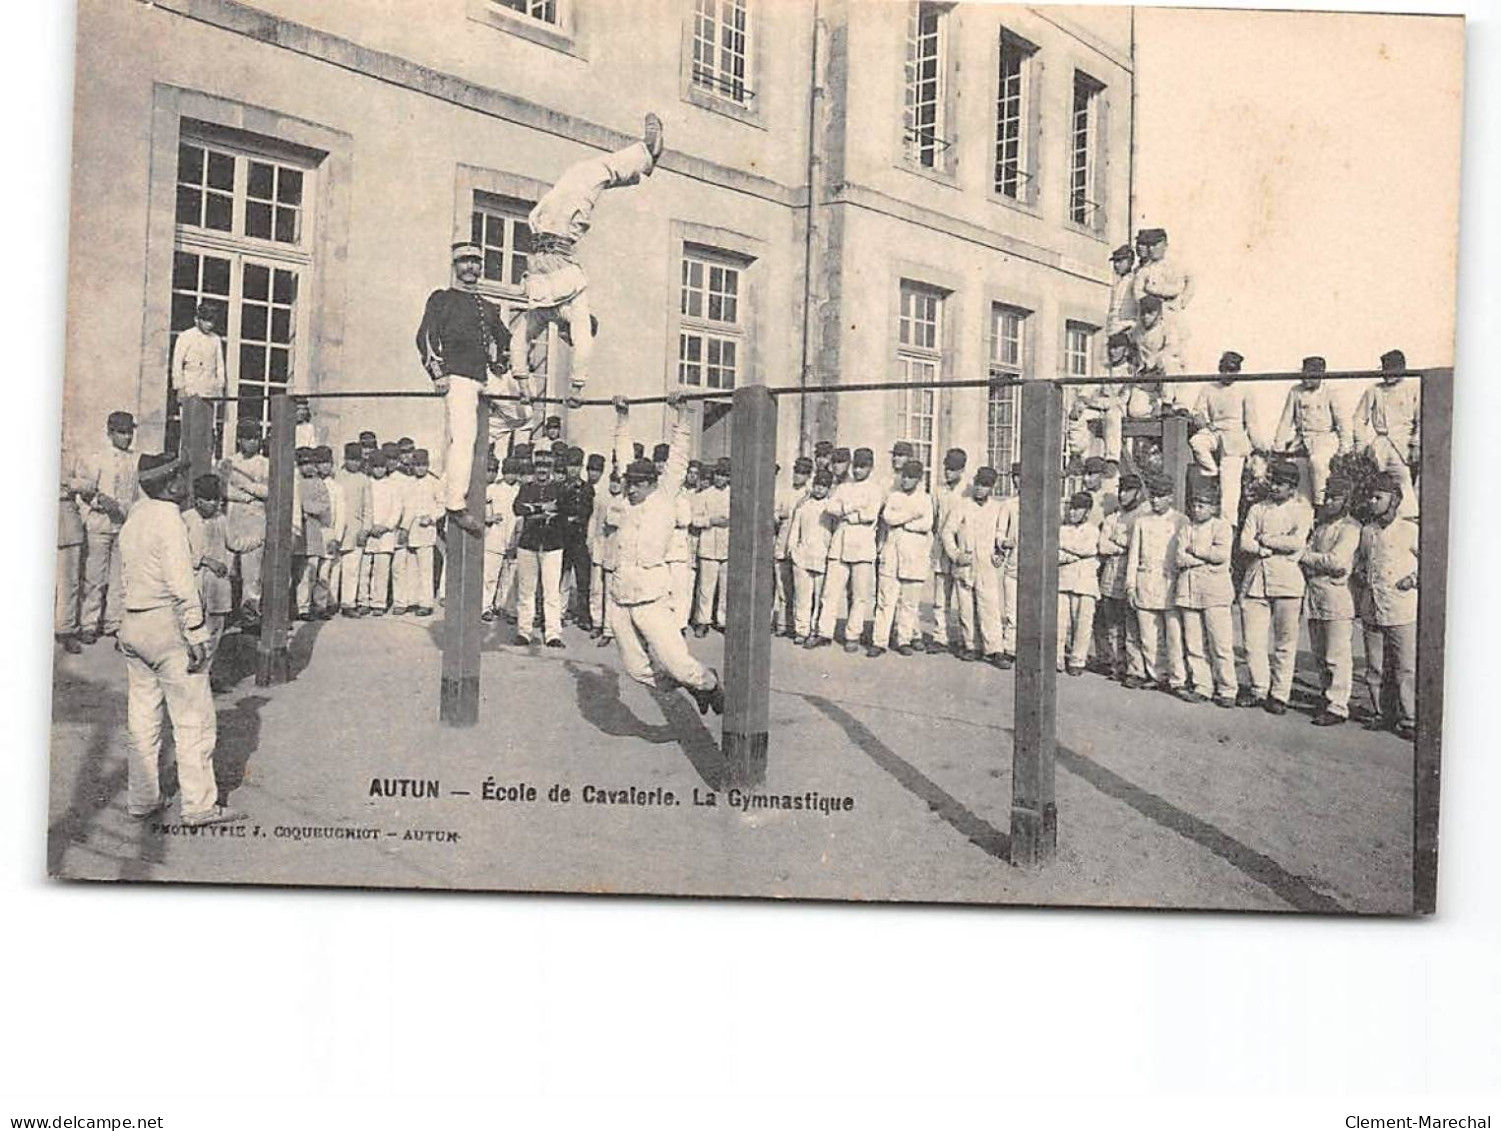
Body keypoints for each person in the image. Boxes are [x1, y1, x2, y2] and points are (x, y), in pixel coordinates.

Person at [116, 452, 242, 826]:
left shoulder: (134, 518)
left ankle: (141, 798)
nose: (186, 485)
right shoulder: (169, 520)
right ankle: (200, 805)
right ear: (170, 484)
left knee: (142, 718)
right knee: (193, 718)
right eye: (181, 478)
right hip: (166, 625)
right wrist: (197, 631)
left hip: (133, 622)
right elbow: (181, 582)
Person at [510, 116, 665, 409]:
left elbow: (522, 343)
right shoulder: (563, 309)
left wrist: (523, 385)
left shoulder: (548, 311)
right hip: (560, 231)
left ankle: (644, 160)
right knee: (588, 174)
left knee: (583, 174)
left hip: (548, 231)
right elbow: (573, 344)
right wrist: (575, 388)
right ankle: (645, 157)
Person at [607, 393, 724, 715]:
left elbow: (679, 458)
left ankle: (707, 683)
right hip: (620, 597)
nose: (630, 490)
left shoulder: (664, 498)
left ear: (652, 484)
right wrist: (623, 416)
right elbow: (622, 454)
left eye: (637, 485)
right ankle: (691, 685)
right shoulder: (627, 505)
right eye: (628, 483)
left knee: (679, 664)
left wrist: (683, 415)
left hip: (651, 599)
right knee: (636, 669)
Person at [416, 241, 511, 536]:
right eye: (464, 262)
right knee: (464, 438)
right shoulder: (442, 299)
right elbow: (426, 337)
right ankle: (455, 504)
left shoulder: (488, 306)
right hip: (458, 377)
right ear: (455, 266)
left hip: (483, 375)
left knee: (523, 412)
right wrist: (437, 372)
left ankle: (489, 433)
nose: (470, 267)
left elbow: (505, 339)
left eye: (475, 262)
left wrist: (500, 363)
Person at [1237, 459, 1313, 713]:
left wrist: (1266, 539)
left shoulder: (1302, 509)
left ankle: (1280, 694)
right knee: (1253, 641)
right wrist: (1261, 547)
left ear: (1293, 488)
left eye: (1282, 484)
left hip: (1288, 581)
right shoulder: (1258, 508)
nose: (1275, 487)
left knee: (1285, 642)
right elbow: (1245, 543)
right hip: (1257, 578)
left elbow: (1296, 543)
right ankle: (1259, 688)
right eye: (1273, 481)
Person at [1354, 471, 1419, 739]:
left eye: (1378, 497)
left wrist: (1412, 579)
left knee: (1405, 667)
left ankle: (1410, 719)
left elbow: (1432, 562)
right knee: (1376, 666)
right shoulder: (1368, 531)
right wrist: (1360, 577)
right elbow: (1361, 561)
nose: (1372, 502)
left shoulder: (1410, 530)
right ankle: (1383, 712)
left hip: (1402, 608)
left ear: (1394, 501)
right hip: (1373, 606)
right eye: (1370, 497)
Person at [71, 410, 139, 642]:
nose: (127, 437)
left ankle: (114, 623)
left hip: (123, 525)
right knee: (94, 578)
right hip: (99, 524)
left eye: (129, 432)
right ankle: (89, 623)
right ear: (110, 432)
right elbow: (84, 487)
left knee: (120, 578)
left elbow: (135, 494)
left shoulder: (133, 459)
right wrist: (100, 500)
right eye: (121, 432)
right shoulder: (97, 457)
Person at [1301, 474, 1362, 726]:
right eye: (1327, 497)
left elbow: (1337, 562)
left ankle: (1338, 706)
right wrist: (1314, 559)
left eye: (1334, 498)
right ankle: (1326, 696)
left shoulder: (1351, 529)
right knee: (1320, 653)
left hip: (1338, 597)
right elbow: (1306, 555)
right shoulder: (1322, 528)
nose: (1328, 502)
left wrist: (1310, 558)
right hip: (1316, 595)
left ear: (1346, 500)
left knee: (1336, 654)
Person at [1173, 482, 1237, 706]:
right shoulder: (1186, 528)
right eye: (1194, 505)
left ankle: (1227, 689)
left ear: (1214, 508)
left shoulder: (1222, 527)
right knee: (1194, 643)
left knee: (1220, 643)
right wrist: (1202, 560)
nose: (1197, 509)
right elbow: (1179, 558)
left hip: (1215, 593)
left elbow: (1220, 555)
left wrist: (1196, 552)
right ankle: (1203, 685)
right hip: (1189, 591)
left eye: (1202, 505)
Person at [814, 447, 882, 651]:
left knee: (860, 595)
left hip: (862, 546)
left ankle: (853, 635)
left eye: (863, 467)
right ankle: (824, 632)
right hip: (840, 544)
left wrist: (848, 511)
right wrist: (852, 508)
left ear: (871, 467)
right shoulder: (843, 487)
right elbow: (831, 507)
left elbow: (870, 514)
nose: (858, 471)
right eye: (856, 466)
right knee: (830, 592)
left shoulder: (875, 489)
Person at [1125, 474, 1187, 694]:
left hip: (1170, 583)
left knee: (1174, 636)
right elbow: (1133, 555)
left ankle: (1178, 679)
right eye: (1153, 496)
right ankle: (1156, 674)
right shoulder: (1142, 521)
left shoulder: (1181, 521)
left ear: (1170, 497)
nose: (1155, 500)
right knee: (1149, 636)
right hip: (1146, 582)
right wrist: (1130, 585)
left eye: (1161, 496)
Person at [940, 465, 1007, 664]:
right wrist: (956, 554)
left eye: (985, 485)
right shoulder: (962, 505)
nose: (980, 488)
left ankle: (994, 649)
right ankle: (970, 645)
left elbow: (1000, 536)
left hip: (986, 564)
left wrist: (1000, 552)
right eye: (978, 484)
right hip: (966, 563)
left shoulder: (997, 508)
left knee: (990, 607)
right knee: (966, 608)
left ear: (991, 487)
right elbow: (947, 532)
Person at [869, 458, 932, 658]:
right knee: (885, 601)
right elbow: (888, 518)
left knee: (909, 603)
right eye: (904, 476)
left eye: (911, 477)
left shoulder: (925, 498)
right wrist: (911, 516)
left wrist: (903, 520)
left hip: (914, 557)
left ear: (918, 479)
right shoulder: (894, 497)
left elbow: (926, 524)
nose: (906, 480)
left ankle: (904, 639)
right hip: (892, 555)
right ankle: (880, 641)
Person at [1188, 350, 1259, 521]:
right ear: (1220, 369)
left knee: (1229, 493)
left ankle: (1227, 530)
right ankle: (1211, 470)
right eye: (1225, 369)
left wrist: (1257, 447)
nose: (1228, 374)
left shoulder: (1245, 389)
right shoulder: (1209, 388)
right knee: (1197, 441)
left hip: (1234, 437)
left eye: (1232, 370)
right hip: (1214, 431)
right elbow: (1198, 412)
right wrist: (1203, 422)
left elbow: (1252, 422)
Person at [1352, 348, 1422, 518]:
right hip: (1381, 442)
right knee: (1373, 480)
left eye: (1392, 368)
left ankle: (1407, 518)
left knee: (1404, 480)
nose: (1387, 373)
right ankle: (1373, 515)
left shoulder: (1413, 388)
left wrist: (1415, 444)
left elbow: (1420, 419)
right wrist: (1362, 445)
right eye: (1385, 369)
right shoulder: (1374, 390)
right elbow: (1359, 419)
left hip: (1403, 443)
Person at [1274, 355, 1350, 507]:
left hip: (1324, 439)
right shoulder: (1295, 392)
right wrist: (1279, 447)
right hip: (1302, 439)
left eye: (1311, 376)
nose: (1306, 380)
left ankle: (1320, 504)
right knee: (1294, 470)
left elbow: (1343, 423)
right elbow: (1286, 420)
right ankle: (1304, 510)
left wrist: (1344, 449)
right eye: (1304, 375)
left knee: (1318, 464)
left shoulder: (1330, 392)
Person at [512, 449, 567, 647]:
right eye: (539, 467)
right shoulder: (526, 488)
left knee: (552, 592)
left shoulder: (560, 488)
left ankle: (553, 634)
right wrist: (543, 509)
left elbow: (564, 509)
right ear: (535, 468)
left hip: (552, 546)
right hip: (528, 544)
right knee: (526, 591)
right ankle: (524, 631)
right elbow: (518, 508)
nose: (542, 470)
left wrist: (532, 509)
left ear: (551, 469)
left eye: (546, 467)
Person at [182, 473, 234, 674]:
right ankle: (188, 668)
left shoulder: (221, 519)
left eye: (217, 500)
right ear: (197, 501)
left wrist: (258, 539)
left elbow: (234, 543)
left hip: (216, 583)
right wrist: (205, 560)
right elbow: (179, 552)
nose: (214, 504)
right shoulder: (186, 519)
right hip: (193, 580)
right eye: (209, 500)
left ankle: (205, 673)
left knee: (214, 628)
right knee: (190, 624)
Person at [1096, 471, 1145, 683]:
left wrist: (1118, 543)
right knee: (1112, 624)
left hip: (1132, 575)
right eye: (1121, 490)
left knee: (1132, 627)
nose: (1123, 495)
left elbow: (1135, 545)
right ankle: (1117, 664)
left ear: (1138, 493)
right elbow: (1103, 545)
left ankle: (1136, 669)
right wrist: (1119, 545)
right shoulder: (1113, 517)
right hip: (1111, 574)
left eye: (1128, 491)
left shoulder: (1144, 516)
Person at [221, 418, 269, 622]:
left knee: (253, 572)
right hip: (234, 517)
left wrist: (246, 487)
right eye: (248, 438)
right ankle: (226, 611)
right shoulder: (229, 462)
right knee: (229, 568)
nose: (252, 443)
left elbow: (267, 491)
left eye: (256, 438)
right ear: (240, 439)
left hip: (256, 519)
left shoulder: (265, 464)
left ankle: (250, 613)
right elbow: (224, 489)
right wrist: (243, 495)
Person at [927, 448, 969, 655]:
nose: (948, 473)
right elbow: (934, 518)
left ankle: (964, 638)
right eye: (946, 468)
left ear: (962, 470)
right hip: (941, 548)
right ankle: (940, 636)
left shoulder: (968, 490)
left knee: (964, 596)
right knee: (941, 596)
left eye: (953, 469)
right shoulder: (938, 490)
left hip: (961, 549)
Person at [787, 469, 835, 645]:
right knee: (802, 596)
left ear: (829, 488)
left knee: (820, 597)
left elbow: (834, 532)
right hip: (802, 556)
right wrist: (792, 550)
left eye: (823, 486)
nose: (819, 489)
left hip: (822, 556)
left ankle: (816, 629)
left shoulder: (830, 508)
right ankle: (802, 629)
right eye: (817, 485)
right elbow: (794, 529)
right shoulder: (803, 506)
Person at [1057, 491, 1101, 677]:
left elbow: (1088, 548)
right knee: (1059, 622)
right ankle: (1057, 657)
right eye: (1072, 508)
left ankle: (1077, 660)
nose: (1073, 512)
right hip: (1063, 580)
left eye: (1078, 509)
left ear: (1087, 512)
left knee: (1083, 624)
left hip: (1085, 583)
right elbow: (1055, 552)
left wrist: (1065, 550)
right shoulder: (1062, 529)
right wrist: (1072, 556)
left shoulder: (1093, 530)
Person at [693, 457, 732, 636]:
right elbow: (695, 519)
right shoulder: (704, 495)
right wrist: (710, 521)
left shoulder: (734, 495)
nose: (719, 478)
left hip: (727, 548)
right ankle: (703, 621)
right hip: (708, 546)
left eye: (723, 475)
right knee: (706, 588)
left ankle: (722, 620)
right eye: (717, 474)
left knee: (725, 588)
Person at [773, 457, 812, 637]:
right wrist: (782, 515)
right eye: (797, 471)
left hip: (802, 549)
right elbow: (775, 515)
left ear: (808, 475)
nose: (798, 476)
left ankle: (800, 627)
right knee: (783, 589)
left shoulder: (810, 494)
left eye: (803, 473)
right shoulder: (784, 493)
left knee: (802, 591)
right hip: (782, 545)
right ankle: (782, 624)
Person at [362, 449, 404, 615]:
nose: (379, 470)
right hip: (369, 531)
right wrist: (369, 526)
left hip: (386, 533)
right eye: (375, 466)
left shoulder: (393, 485)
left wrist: (386, 526)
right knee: (365, 570)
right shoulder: (367, 483)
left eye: (382, 467)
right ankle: (363, 600)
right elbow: (364, 506)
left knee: (382, 569)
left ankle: (379, 603)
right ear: (370, 467)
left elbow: (397, 509)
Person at [402, 449, 443, 616]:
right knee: (411, 567)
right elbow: (406, 506)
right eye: (417, 465)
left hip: (426, 530)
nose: (420, 468)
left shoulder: (434, 483)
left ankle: (426, 603)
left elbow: (442, 505)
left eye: (423, 465)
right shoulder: (409, 482)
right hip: (410, 529)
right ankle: (413, 600)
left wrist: (431, 517)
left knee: (426, 569)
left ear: (428, 465)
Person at [334, 441, 372, 617]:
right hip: (335, 529)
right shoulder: (337, 477)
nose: (354, 463)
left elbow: (368, 507)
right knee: (333, 568)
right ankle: (331, 602)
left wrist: (365, 529)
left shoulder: (364, 480)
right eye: (351, 459)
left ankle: (348, 603)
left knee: (352, 569)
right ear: (345, 459)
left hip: (355, 529)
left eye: (357, 460)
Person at [558, 446, 594, 629]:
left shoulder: (587, 489)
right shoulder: (560, 487)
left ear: (581, 467)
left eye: (576, 466)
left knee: (583, 580)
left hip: (580, 539)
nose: (573, 469)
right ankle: (559, 613)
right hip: (563, 538)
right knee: (561, 578)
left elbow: (589, 513)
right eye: (570, 465)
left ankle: (584, 616)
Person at [995, 461, 1024, 665]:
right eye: (1015, 476)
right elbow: (1000, 533)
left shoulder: (1044, 504)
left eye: (1021, 476)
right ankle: (1010, 647)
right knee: (1011, 611)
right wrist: (1005, 542)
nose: (1017, 480)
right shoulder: (1009, 505)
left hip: (1035, 568)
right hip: (1013, 565)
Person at [56, 465, 86, 653]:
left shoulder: (72, 449)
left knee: (69, 581)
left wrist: (70, 483)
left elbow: (88, 483)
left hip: (65, 515)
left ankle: (66, 630)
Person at [171, 301, 226, 403]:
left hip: (210, 390)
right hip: (190, 389)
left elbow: (220, 366)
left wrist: (220, 387)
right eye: (206, 321)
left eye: (212, 321)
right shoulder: (185, 337)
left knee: (208, 418)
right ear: (197, 319)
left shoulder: (215, 339)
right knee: (191, 417)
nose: (210, 325)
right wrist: (180, 387)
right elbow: (177, 364)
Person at [1107, 243, 1139, 336]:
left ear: (1130, 261)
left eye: (1120, 261)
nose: (1116, 265)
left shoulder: (1134, 280)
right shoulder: (1117, 283)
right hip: (1114, 328)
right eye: (1115, 262)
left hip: (1127, 327)